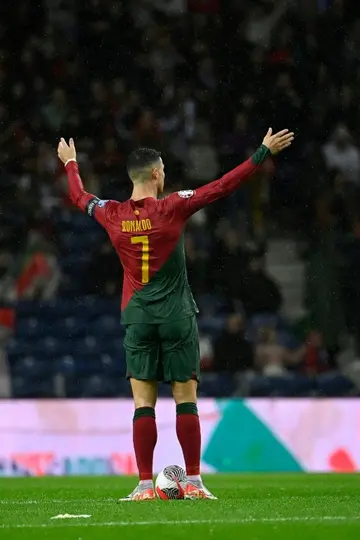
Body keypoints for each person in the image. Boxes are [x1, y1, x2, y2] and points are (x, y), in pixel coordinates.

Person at [57, 127, 294, 501]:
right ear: (155, 174)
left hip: (137, 319)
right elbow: (221, 186)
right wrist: (262, 153)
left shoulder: (111, 214)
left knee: (142, 404)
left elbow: (78, 195)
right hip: (176, 317)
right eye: (163, 169)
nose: (165, 174)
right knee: (186, 400)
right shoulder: (173, 206)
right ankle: (196, 482)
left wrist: (70, 163)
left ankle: (143, 485)